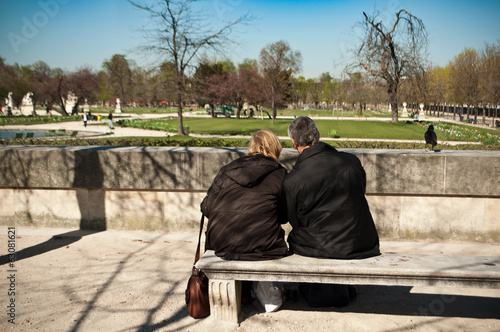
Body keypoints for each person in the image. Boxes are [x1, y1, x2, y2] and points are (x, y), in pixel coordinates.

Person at [283, 116, 380, 307]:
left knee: (294, 238)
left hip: (324, 245)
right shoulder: (351, 161)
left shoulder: (293, 179)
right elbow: (360, 192)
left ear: (294, 143)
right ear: (317, 136)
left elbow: (293, 219)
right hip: (360, 242)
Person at [201, 129, 288, 311]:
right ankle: (256, 292)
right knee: (258, 239)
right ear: (275, 149)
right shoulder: (280, 175)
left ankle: (245, 293)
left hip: (222, 242)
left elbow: (206, 208)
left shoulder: (228, 171)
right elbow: (283, 216)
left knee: (244, 240)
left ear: (252, 147)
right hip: (264, 244)